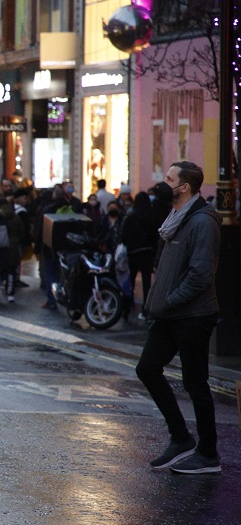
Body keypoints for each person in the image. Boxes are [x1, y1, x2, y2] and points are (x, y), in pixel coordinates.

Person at [136, 161, 222, 474]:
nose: (163, 182)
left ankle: (208, 454)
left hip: (193, 315)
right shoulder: (176, 218)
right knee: (147, 369)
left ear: (184, 187)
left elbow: (200, 275)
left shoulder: (201, 222)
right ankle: (181, 438)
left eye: (169, 178)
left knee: (196, 383)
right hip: (170, 315)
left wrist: (169, 301)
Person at [120, 192, 158, 318]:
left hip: (133, 252)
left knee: (130, 280)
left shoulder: (131, 216)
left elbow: (124, 236)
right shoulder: (152, 215)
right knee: (146, 282)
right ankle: (145, 309)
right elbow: (156, 236)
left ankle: (126, 307)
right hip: (147, 252)